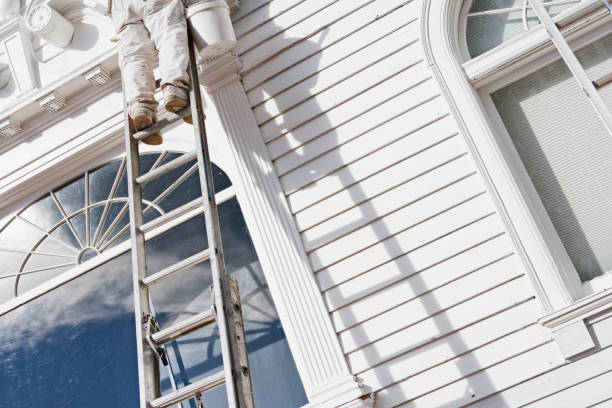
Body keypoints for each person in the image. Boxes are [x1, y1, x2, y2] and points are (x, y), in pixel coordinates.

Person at [108, 0, 191, 145]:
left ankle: (141, 105)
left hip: (120, 5)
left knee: (133, 54)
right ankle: (174, 86)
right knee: (168, 31)